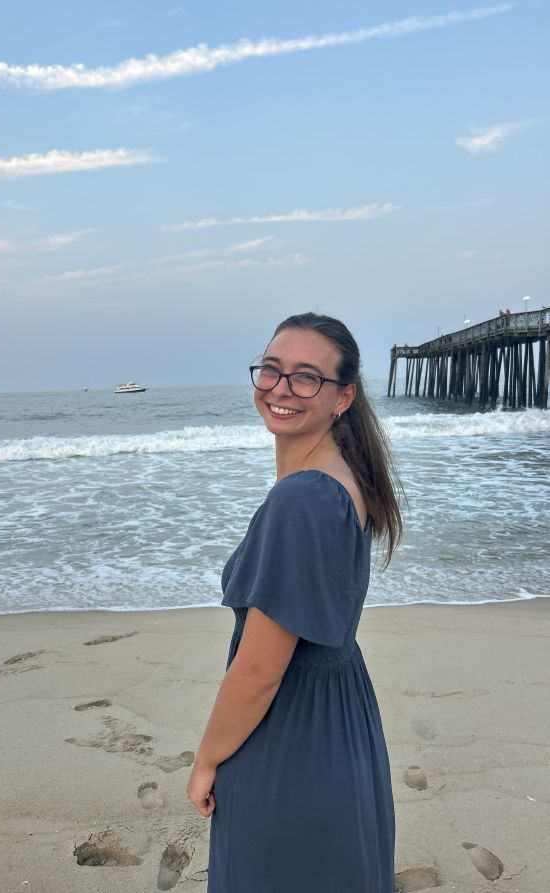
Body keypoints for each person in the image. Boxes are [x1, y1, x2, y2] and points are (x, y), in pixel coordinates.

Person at [186, 311, 404, 893]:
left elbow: (259, 669)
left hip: (293, 735)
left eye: (307, 377)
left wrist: (207, 758)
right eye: (271, 371)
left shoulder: (305, 498)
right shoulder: (341, 478)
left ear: (343, 397)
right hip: (341, 718)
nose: (281, 389)